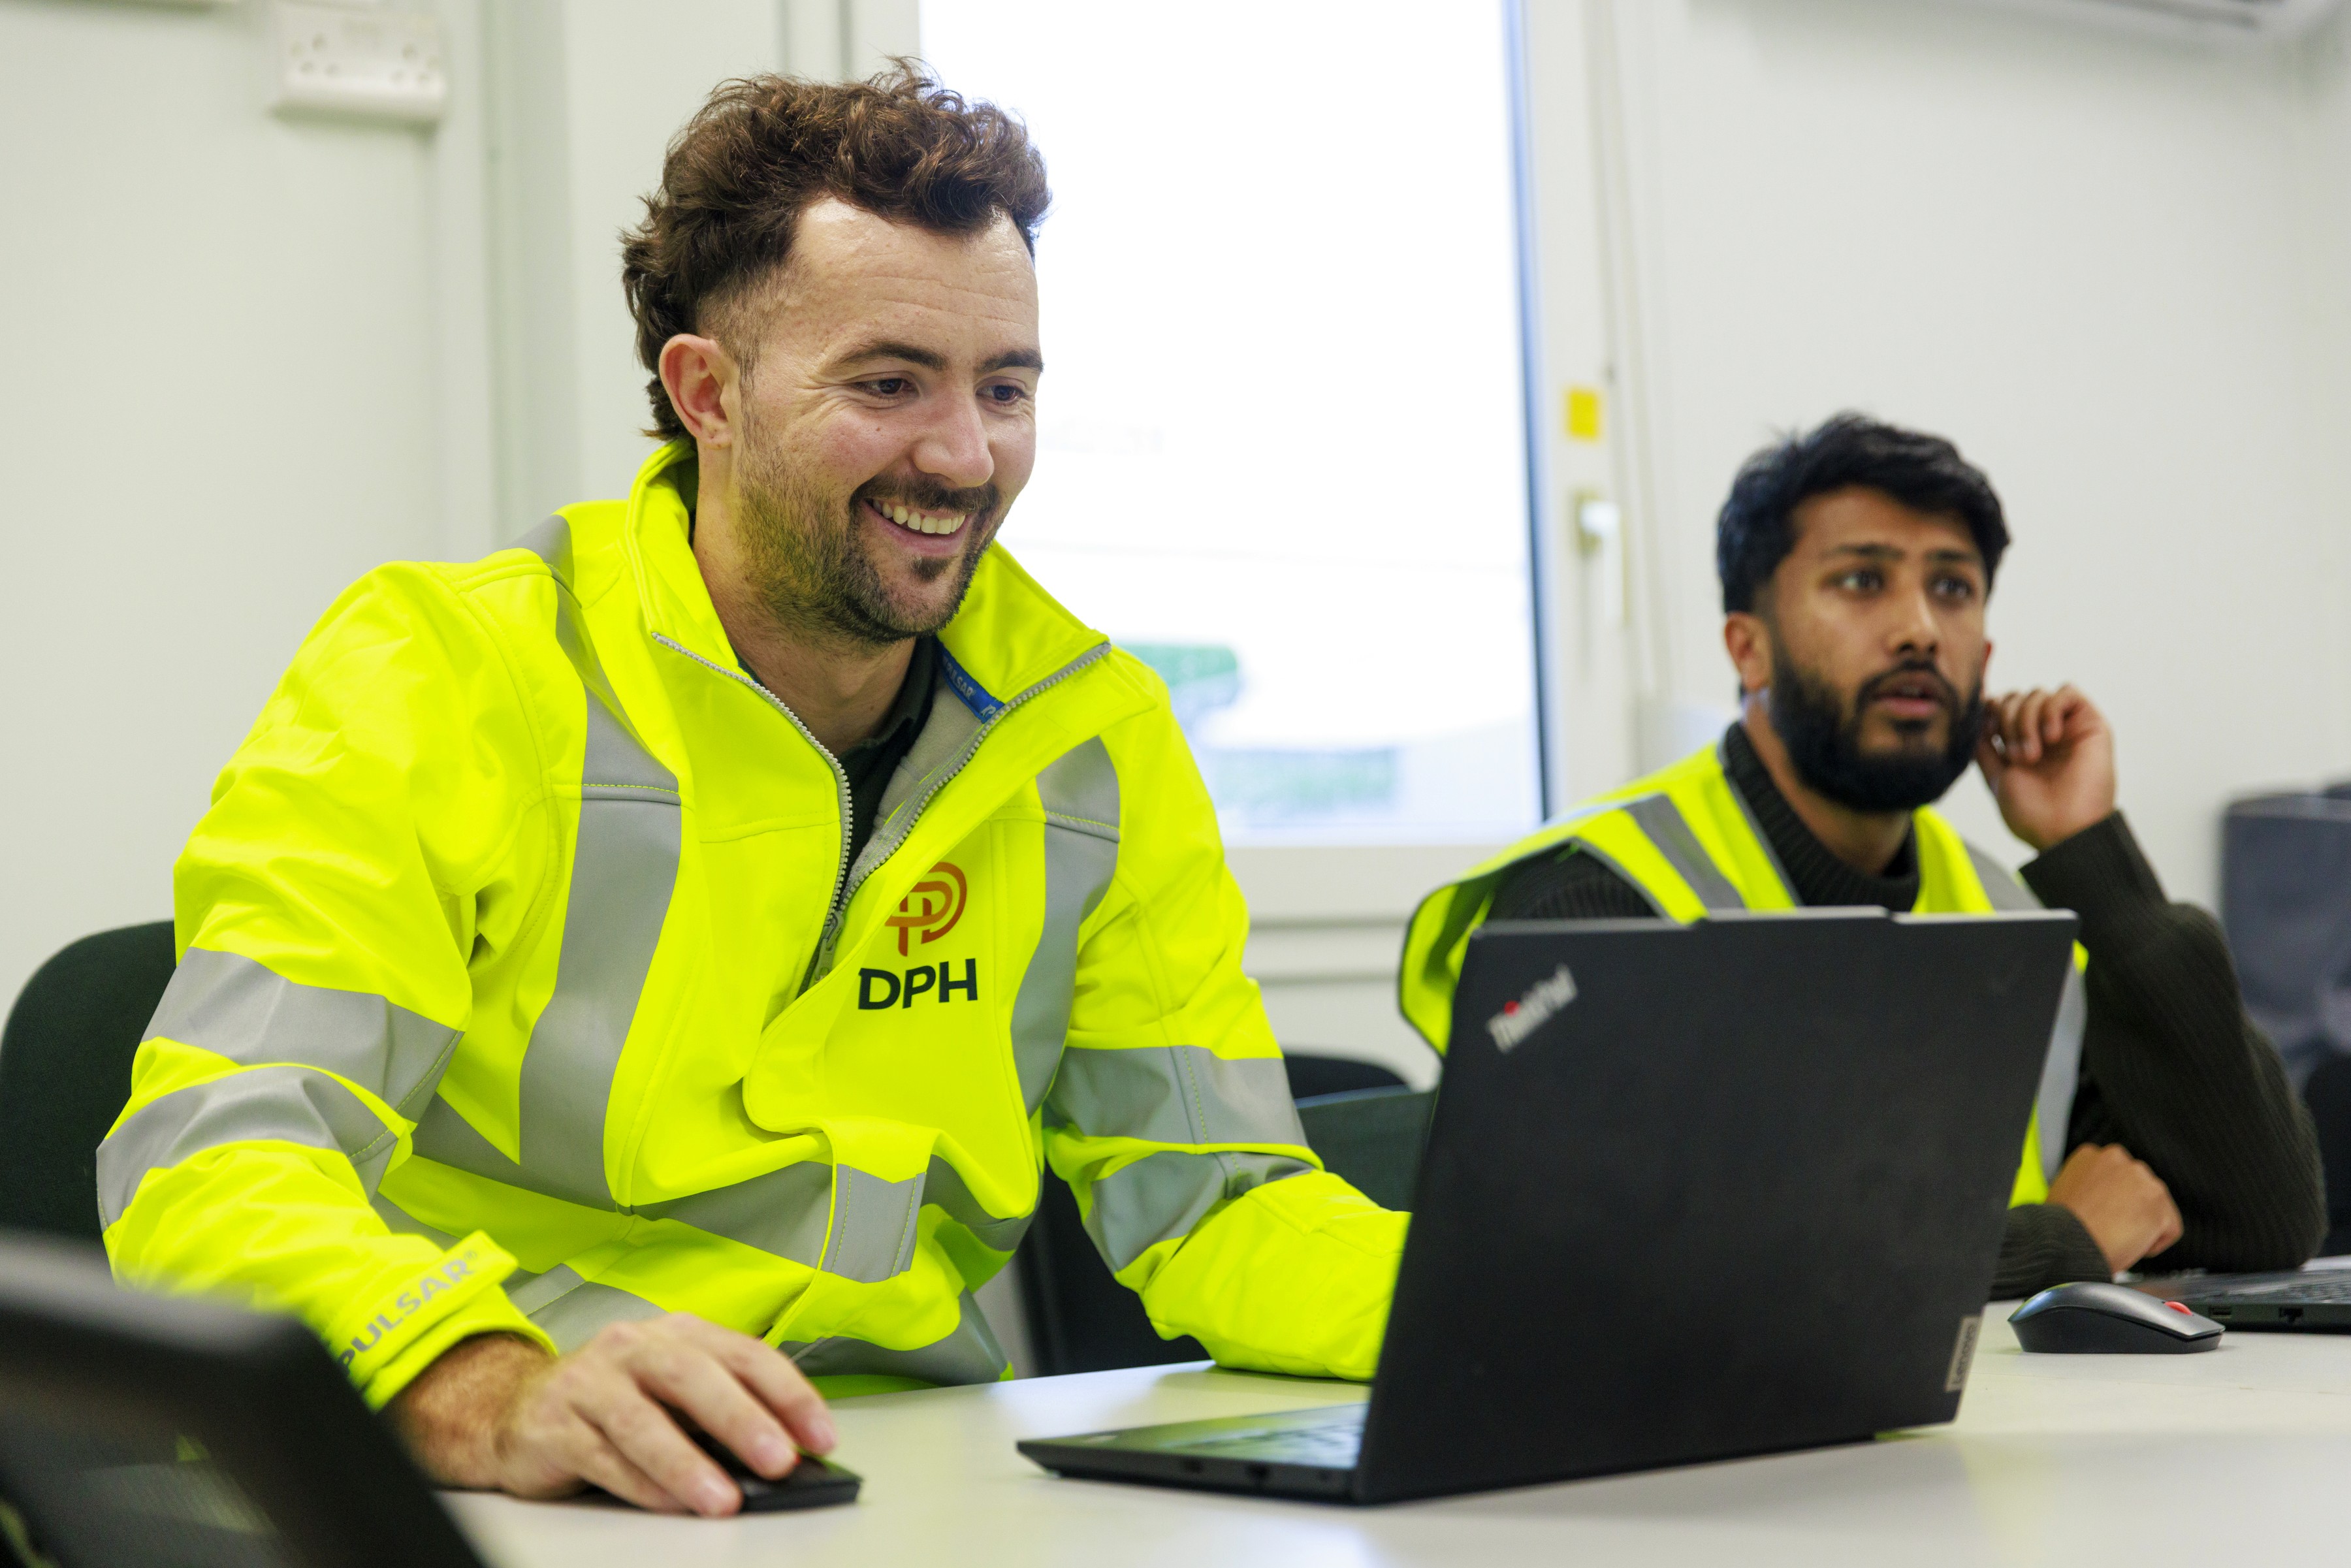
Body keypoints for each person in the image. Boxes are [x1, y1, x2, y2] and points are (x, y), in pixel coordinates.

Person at [98, 69, 1402, 1518]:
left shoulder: (1093, 737)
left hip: (898, 1486)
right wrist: (477, 1382)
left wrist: (1541, 1302)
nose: (965, 456)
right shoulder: (445, 670)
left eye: (1006, 388)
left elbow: (1221, 1201)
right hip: (509, 1471)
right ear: (705, 392)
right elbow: (217, 1152)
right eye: (889, 382)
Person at [1401, 413, 2323, 1300]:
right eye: (1861, 581)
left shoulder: (2008, 916)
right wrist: (2058, 1244)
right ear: (1747, 648)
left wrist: (2093, 859)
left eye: (1952, 588)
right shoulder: (1596, 896)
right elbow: (1633, 1276)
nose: (1919, 627)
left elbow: (2260, 1223)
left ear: (1986, 652)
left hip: (1995, 1450)